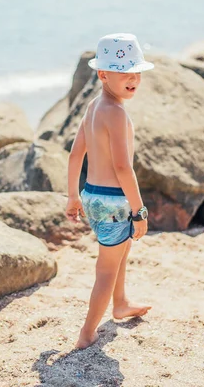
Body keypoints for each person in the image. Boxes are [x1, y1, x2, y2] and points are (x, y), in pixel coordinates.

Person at [65, 33, 154, 349]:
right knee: (106, 268)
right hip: (115, 200)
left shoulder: (93, 107)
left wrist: (73, 196)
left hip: (92, 195)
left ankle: (120, 303)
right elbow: (122, 168)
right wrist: (139, 210)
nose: (133, 78)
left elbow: (76, 154)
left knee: (120, 251)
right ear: (103, 74)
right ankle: (87, 333)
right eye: (124, 71)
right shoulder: (115, 113)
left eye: (136, 71)